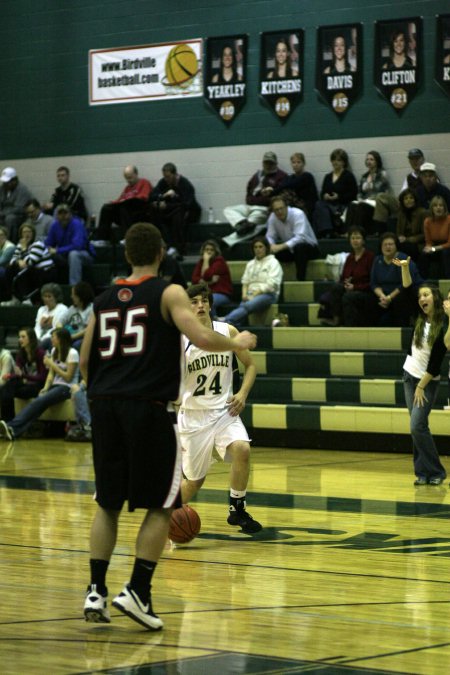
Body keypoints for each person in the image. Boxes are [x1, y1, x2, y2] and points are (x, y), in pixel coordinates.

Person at [79, 222, 256, 630]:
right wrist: (239, 343)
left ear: (126, 255)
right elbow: (203, 337)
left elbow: (86, 361)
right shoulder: (168, 291)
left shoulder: (104, 298)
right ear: (161, 253)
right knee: (163, 505)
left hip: (104, 405)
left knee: (107, 504)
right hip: (147, 406)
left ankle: (95, 590)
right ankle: (138, 590)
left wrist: (104, 395)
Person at [179, 283, 261, 534]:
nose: (200, 305)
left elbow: (251, 366)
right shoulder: (180, 340)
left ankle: (237, 509)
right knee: (194, 482)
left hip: (224, 412)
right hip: (194, 417)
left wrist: (242, 393)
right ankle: (165, 514)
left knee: (242, 448)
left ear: (211, 305)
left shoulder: (227, 330)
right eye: (193, 301)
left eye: (204, 300)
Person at [393, 257, 449, 485]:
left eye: (425, 295)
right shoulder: (418, 317)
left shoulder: (444, 325)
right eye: (420, 296)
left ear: (435, 298)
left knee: (416, 426)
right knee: (417, 427)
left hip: (426, 381)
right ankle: (422, 473)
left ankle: (436, 472)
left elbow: (436, 362)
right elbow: (407, 290)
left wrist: (421, 386)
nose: (421, 299)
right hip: (409, 376)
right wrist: (405, 268)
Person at [0, 327, 78, 441]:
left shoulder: (72, 353)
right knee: (38, 400)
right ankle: (12, 428)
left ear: (60, 339)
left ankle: (12, 427)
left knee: (39, 401)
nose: (51, 339)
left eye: (53, 337)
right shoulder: (54, 351)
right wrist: (46, 388)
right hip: (54, 386)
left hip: (66, 387)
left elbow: (68, 377)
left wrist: (51, 363)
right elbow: (51, 375)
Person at [222, 152, 287, 247]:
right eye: (266, 163)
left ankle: (225, 242)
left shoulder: (282, 176)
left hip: (264, 209)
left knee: (252, 227)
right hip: (250, 206)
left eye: (271, 163)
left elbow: (279, 198)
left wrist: (263, 198)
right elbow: (248, 193)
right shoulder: (257, 175)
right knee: (228, 210)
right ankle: (243, 223)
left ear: (276, 164)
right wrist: (253, 200)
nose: (268, 165)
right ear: (262, 163)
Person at [317, 227, 375, 326]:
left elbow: (373, 282)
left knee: (348, 296)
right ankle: (336, 319)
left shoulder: (370, 257)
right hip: (350, 288)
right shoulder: (350, 257)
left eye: (358, 238)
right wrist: (346, 283)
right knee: (336, 287)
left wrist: (355, 287)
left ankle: (349, 326)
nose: (355, 240)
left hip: (365, 291)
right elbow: (343, 277)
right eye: (352, 238)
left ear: (363, 240)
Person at [220, 236, 283, 326]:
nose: (258, 249)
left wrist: (255, 294)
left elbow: (272, 284)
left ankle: (225, 319)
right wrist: (245, 294)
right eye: (255, 247)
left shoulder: (273, 262)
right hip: (251, 294)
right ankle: (229, 324)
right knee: (244, 307)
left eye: (260, 247)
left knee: (247, 305)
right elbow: (245, 282)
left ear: (266, 248)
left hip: (268, 294)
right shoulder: (250, 264)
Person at [148, 162, 201, 259]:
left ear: (175, 174)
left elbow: (187, 204)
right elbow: (151, 196)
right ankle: (164, 245)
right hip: (172, 210)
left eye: (168, 177)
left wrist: (167, 205)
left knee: (178, 214)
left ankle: (179, 248)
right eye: (164, 177)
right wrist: (162, 197)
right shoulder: (164, 182)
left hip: (190, 212)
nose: (166, 179)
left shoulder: (185, 184)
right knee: (154, 210)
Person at [92, 165, 152, 243]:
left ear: (136, 174)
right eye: (127, 178)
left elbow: (144, 196)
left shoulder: (144, 182)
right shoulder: (127, 188)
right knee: (106, 208)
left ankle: (128, 237)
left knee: (125, 205)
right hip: (125, 213)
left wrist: (127, 200)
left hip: (139, 212)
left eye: (130, 177)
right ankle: (103, 238)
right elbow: (120, 200)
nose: (128, 180)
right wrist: (112, 203)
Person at [0, 223, 56, 305]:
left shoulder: (38, 244)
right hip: (32, 270)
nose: (26, 234)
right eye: (24, 232)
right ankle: (14, 298)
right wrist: (18, 261)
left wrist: (23, 249)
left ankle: (27, 299)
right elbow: (12, 261)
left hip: (46, 272)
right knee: (10, 269)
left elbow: (30, 262)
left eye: (29, 232)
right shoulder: (20, 245)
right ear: (21, 234)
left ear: (33, 234)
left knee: (24, 271)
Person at [267, 196, 320, 281]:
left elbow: (300, 237)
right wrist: (271, 245)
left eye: (281, 208)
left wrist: (280, 246)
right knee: (270, 251)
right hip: (291, 250)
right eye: (276, 210)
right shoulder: (273, 217)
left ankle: (300, 280)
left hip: (309, 248)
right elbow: (270, 236)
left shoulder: (298, 214)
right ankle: (274, 281)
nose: (279, 212)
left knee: (299, 247)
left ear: (287, 207)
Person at [372, 148, 425, 233]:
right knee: (381, 197)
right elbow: (402, 194)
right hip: (405, 203)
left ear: (422, 159)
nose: (415, 162)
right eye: (412, 159)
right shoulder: (409, 177)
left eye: (417, 159)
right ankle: (380, 231)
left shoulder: (428, 175)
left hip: (418, 204)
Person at [0, 327, 47, 421]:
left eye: (23, 337)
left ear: (31, 338)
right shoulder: (20, 353)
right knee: (5, 389)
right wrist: (11, 375)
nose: (20, 339)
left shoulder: (40, 353)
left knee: (12, 392)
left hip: (38, 385)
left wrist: (23, 376)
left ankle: (10, 423)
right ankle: (6, 422)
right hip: (25, 382)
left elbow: (42, 377)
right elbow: (18, 373)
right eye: (19, 337)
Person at [312, 148, 358, 238]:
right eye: (333, 160)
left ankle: (328, 231)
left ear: (344, 162)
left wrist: (339, 197)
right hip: (329, 204)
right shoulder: (328, 177)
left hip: (343, 204)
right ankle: (327, 231)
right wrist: (325, 196)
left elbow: (353, 194)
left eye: (338, 160)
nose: (335, 162)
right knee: (318, 204)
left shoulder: (348, 176)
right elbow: (322, 193)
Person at [45, 204, 95, 284]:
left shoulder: (76, 224)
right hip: (64, 256)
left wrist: (58, 250)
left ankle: (74, 286)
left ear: (70, 214)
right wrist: (49, 249)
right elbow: (48, 243)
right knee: (47, 253)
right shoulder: (55, 225)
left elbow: (77, 246)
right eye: (60, 213)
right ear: (56, 215)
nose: (63, 216)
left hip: (84, 255)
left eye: (65, 213)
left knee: (73, 254)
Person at [345, 151, 391, 234]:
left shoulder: (382, 174)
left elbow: (380, 190)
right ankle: (349, 232)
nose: (369, 161)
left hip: (377, 201)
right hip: (365, 200)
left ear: (377, 161)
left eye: (371, 159)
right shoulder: (364, 176)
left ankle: (359, 232)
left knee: (361, 206)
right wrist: (359, 199)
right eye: (367, 159)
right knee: (352, 205)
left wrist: (370, 183)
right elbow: (359, 191)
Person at [191, 239, 233, 317]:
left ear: (215, 252)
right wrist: (210, 282)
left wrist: (206, 260)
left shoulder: (220, 261)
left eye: (211, 250)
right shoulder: (201, 262)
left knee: (208, 302)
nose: (209, 252)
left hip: (221, 294)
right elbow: (194, 279)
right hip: (206, 294)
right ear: (203, 251)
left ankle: (214, 325)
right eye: (207, 250)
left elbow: (207, 275)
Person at [274, 152, 318, 219]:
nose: (296, 165)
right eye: (294, 162)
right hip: (292, 206)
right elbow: (281, 187)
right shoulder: (290, 177)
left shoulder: (307, 176)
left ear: (303, 164)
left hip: (306, 207)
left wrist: (274, 190)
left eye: (298, 162)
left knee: (286, 193)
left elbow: (291, 185)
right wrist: (271, 191)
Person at [418, 196, 450, 279]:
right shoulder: (427, 221)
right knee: (424, 254)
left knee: (445, 253)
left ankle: (447, 281)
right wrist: (429, 248)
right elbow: (428, 242)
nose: (438, 208)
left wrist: (434, 248)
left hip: (447, 247)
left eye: (441, 205)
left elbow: (449, 243)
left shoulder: (449, 220)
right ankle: (423, 281)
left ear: (445, 208)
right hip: (435, 246)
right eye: (435, 206)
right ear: (432, 208)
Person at [0, 167, 33, 243]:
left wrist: (3, 213)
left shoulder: (22, 190)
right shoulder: (3, 188)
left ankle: (10, 243)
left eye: (7, 182)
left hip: (20, 216)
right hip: (4, 214)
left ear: (14, 180)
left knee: (10, 219)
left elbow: (19, 209)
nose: (5, 184)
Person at [60, 281, 95, 350]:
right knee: (49, 341)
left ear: (81, 296)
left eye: (74, 295)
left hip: (83, 337)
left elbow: (88, 330)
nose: (71, 297)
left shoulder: (91, 309)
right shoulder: (72, 308)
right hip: (69, 336)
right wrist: (61, 333)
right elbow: (60, 322)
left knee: (76, 345)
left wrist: (72, 337)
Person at [34, 283, 68, 349]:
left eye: (49, 296)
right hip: (39, 338)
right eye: (45, 296)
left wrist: (42, 339)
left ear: (56, 297)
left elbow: (56, 329)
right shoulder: (41, 309)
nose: (46, 299)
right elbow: (37, 327)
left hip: (52, 338)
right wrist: (36, 338)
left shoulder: (62, 309)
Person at [396, 188, 427, 261]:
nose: (408, 200)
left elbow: (425, 234)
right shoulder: (401, 214)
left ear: (415, 200)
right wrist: (400, 237)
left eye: (411, 198)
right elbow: (398, 231)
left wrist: (407, 239)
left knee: (408, 247)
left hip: (418, 243)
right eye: (406, 198)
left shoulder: (422, 213)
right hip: (404, 242)